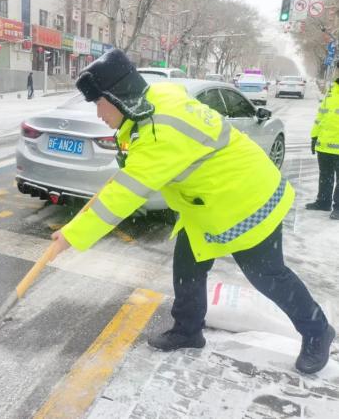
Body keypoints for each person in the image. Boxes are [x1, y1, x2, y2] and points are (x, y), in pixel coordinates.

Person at [50, 49, 335, 374]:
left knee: (267, 276)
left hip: (246, 198)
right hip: (208, 203)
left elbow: (122, 197)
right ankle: (187, 330)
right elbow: (138, 160)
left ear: (118, 98)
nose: (98, 113)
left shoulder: (161, 133)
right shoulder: (159, 96)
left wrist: (70, 236)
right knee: (188, 264)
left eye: (98, 102)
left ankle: (317, 332)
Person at [306, 68, 339, 219]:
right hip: (324, 143)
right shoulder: (332, 91)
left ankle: (337, 208)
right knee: (325, 175)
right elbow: (321, 115)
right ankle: (323, 202)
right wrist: (314, 136)